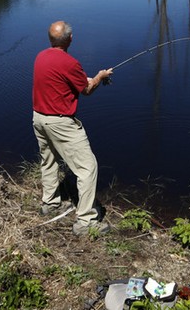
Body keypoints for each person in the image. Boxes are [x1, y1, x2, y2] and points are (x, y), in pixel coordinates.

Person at [32, 20, 113, 236]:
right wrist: (100, 77)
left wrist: (85, 79)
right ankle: (86, 222)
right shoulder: (70, 63)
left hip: (39, 119)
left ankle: (50, 203)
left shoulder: (41, 57)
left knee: (48, 161)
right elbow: (86, 90)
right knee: (88, 167)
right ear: (70, 39)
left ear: (50, 40)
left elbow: (61, 80)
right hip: (60, 123)